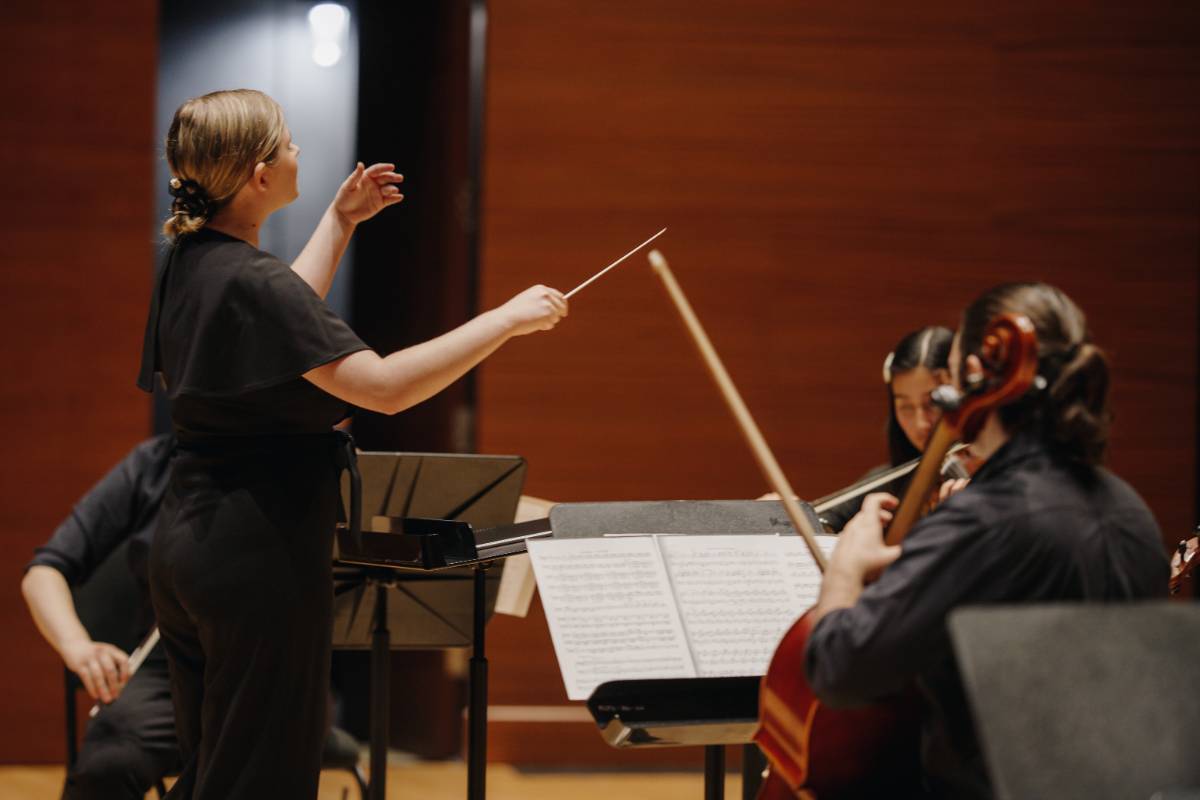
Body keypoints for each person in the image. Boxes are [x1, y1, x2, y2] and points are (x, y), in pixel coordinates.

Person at [137, 88, 567, 799]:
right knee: (260, 781)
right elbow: (386, 388)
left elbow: (283, 323)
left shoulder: (193, 260)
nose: (297, 150)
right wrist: (504, 320)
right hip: (256, 556)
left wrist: (340, 220)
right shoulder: (251, 279)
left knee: (218, 771)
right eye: (286, 143)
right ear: (260, 176)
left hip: (190, 547)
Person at [803, 282, 1169, 798]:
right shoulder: (1131, 512)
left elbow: (839, 670)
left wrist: (846, 566)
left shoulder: (985, 521)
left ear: (973, 377)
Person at [21, 435, 180, 799]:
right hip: (166, 669)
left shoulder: (295, 460)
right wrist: (77, 646)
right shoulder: (154, 464)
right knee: (106, 765)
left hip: (270, 671)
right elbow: (44, 572)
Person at [817, 326, 958, 532]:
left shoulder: (988, 480)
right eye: (906, 407)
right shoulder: (888, 478)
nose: (921, 423)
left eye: (932, 403)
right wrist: (791, 517)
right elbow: (825, 521)